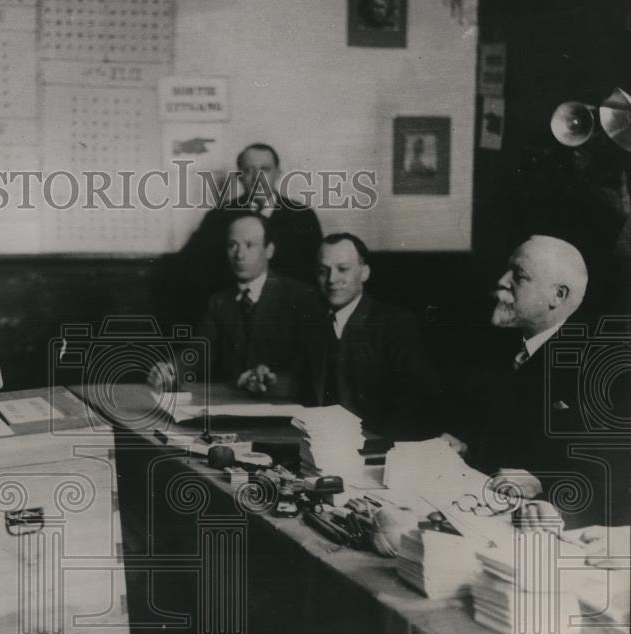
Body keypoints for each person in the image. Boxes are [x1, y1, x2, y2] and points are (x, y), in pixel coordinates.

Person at [449, 235, 629, 527]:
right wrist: (465, 446)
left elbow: (612, 476)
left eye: (518, 276)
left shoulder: (600, 369)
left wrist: (541, 483)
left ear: (557, 296)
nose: (502, 281)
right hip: (483, 507)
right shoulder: (499, 348)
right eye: (506, 270)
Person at [150, 213, 319, 396]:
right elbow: (199, 351)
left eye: (249, 245)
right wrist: (171, 370)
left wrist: (272, 380)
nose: (239, 255)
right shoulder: (220, 302)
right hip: (234, 405)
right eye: (232, 245)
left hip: (284, 406)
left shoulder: (298, 297)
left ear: (269, 250)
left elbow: (311, 366)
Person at [292, 233, 441, 440]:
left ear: (364, 273)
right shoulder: (313, 325)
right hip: (320, 446)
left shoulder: (395, 324)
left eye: (343, 269)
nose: (332, 279)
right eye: (322, 271)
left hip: (379, 448)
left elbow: (416, 404)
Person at [164, 143, 322, 328]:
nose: (258, 178)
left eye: (265, 169)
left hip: (288, 318)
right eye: (249, 170)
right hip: (234, 318)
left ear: (278, 173)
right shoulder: (219, 216)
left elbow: (314, 275)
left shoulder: (302, 216)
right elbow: (196, 270)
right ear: (240, 176)